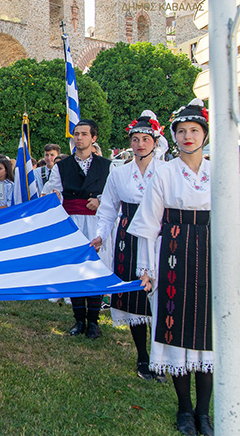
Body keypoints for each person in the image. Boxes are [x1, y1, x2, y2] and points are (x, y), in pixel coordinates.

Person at [128, 99, 213, 436]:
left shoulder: (218, 171)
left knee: (206, 333)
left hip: (209, 254)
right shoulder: (163, 171)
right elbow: (149, 223)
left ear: (204, 134)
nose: (188, 136)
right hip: (173, 253)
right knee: (175, 328)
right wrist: (146, 270)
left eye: (194, 130)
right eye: (182, 131)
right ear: (174, 136)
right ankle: (184, 410)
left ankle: (204, 414)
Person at [90, 112, 166, 382]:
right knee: (134, 297)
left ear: (155, 142)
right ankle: (142, 356)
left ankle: (160, 357)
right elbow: (108, 208)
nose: (140, 144)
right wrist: (101, 235)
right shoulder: (120, 173)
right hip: (128, 237)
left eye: (146, 139)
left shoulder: (166, 171)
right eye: (136, 139)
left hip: (159, 236)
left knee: (161, 296)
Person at [42, 119, 112, 339]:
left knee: (95, 268)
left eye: (84, 134)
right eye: (76, 134)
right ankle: (79, 319)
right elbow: (51, 191)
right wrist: (55, 197)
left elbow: (113, 195)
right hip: (72, 222)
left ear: (94, 137)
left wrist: (100, 201)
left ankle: (94, 321)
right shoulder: (62, 166)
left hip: (97, 222)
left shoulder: (106, 165)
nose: (79, 138)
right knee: (75, 269)